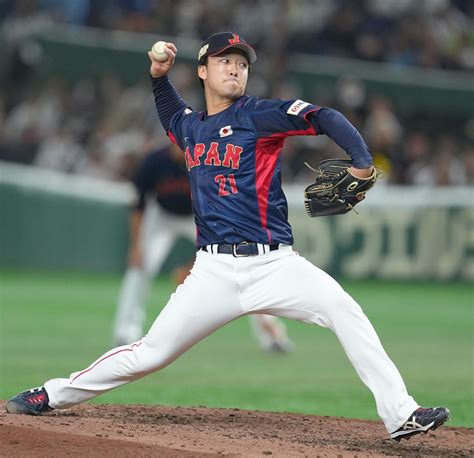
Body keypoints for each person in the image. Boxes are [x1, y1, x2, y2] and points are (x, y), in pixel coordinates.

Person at [6, 32, 449, 441]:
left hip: (275, 264)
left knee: (343, 308)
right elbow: (169, 111)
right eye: (224, 61)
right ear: (203, 71)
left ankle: (400, 414)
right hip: (213, 272)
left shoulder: (258, 115)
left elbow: (324, 116)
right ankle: (52, 393)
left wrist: (362, 161)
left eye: (241, 62)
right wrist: (158, 75)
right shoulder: (191, 128)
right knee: (150, 354)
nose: (235, 68)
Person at [113, 141, 293, 352]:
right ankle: (125, 331)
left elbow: (228, 206)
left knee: (242, 263)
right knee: (139, 268)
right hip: (160, 217)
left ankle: (270, 332)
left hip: (200, 216)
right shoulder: (155, 162)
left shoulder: (209, 161)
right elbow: (138, 206)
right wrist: (136, 246)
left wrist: (195, 263)